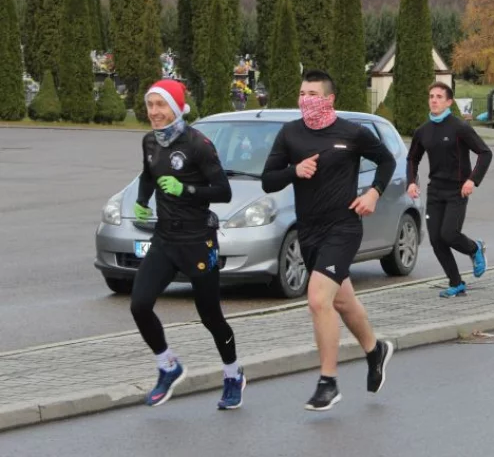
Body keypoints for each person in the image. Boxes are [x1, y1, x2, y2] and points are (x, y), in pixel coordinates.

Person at [262, 70, 397, 412]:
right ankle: (375, 349)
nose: (305, 99)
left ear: (329, 99)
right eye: (302, 93)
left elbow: (387, 160)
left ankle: (328, 382)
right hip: (309, 232)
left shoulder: (352, 133)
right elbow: (268, 180)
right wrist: (295, 171)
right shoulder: (290, 134)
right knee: (342, 302)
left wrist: (374, 194)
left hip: (344, 228)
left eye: (312, 94)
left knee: (319, 300)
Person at [130, 80, 245, 410]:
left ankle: (233, 374)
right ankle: (168, 365)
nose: (154, 112)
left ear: (177, 108)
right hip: (165, 239)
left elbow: (223, 191)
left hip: (198, 240)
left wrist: (186, 190)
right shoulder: (150, 141)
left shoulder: (198, 144)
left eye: (161, 105)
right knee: (139, 304)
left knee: (210, 316)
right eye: (150, 105)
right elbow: (147, 175)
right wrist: (141, 200)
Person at [407, 82, 492, 297]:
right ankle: (456, 283)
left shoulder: (459, 127)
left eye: (439, 96)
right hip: (435, 190)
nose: (434, 100)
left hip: (457, 190)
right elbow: (412, 158)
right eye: (431, 96)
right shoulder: (422, 131)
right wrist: (411, 182)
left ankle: (475, 248)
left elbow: (484, 152)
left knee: (449, 234)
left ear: (448, 102)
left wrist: (472, 180)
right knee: (436, 240)